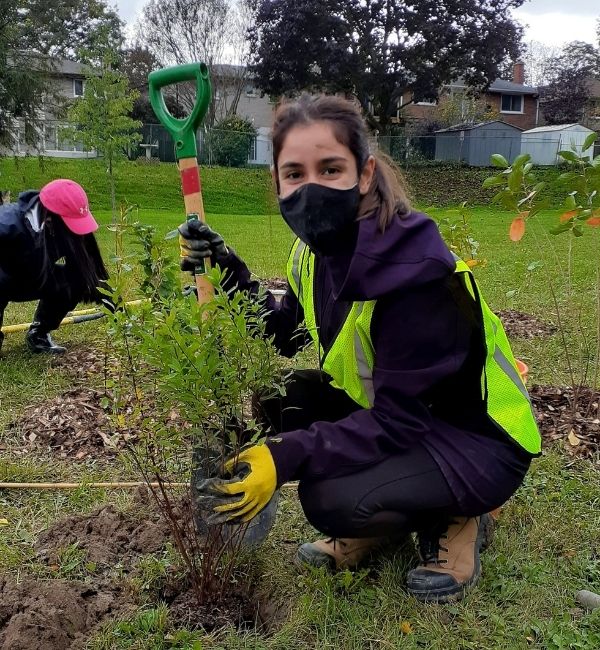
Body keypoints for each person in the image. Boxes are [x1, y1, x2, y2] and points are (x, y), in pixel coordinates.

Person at [178, 94, 541, 603]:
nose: (311, 189)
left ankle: (459, 517)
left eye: (330, 169)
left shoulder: (414, 270)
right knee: (284, 397)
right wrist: (227, 271)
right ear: (278, 182)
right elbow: (286, 333)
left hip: (475, 438)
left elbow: (399, 421)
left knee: (329, 498)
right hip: (409, 415)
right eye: (294, 173)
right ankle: (392, 509)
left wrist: (283, 460)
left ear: (364, 174)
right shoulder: (315, 253)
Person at [0, 179, 108, 355]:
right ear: (49, 219)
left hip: (31, 276)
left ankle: (39, 334)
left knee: (78, 278)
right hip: (2, 278)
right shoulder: (6, 225)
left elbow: (89, 270)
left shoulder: (59, 231)